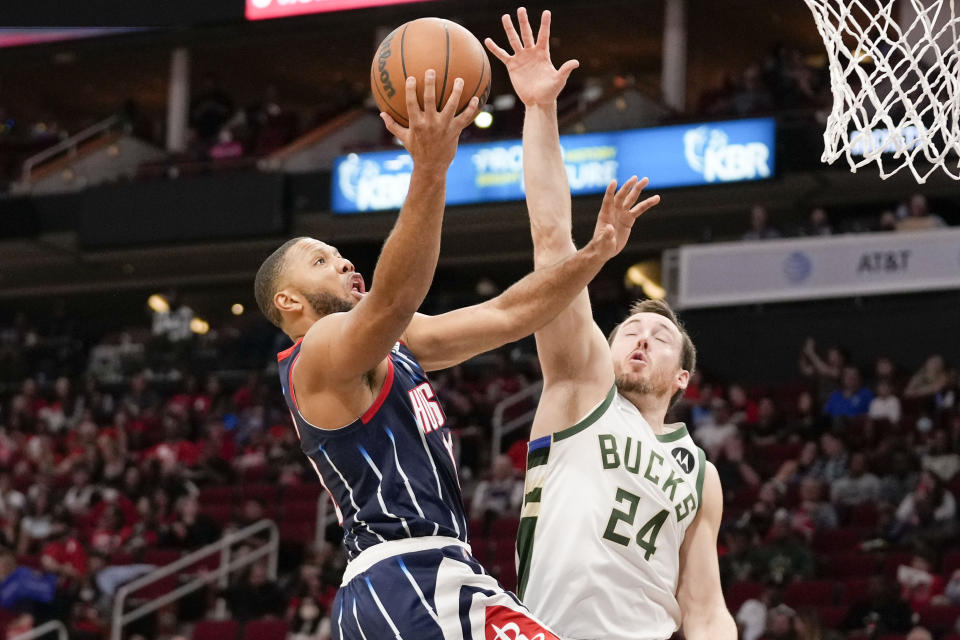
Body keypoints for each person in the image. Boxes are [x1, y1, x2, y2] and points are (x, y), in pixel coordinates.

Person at [254, 67, 649, 638]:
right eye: (321, 260)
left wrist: (594, 254)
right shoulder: (319, 351)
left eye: (337, 254)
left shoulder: (396, 342)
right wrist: (431, 167)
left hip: (428, 578)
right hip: (405, 580)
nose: (342, 262)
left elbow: (508, 315)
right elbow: (392, 300)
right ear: (288, 301)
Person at [485, 8, 735, 639]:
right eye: (630, 330)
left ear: (682, 377)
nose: (641, 336)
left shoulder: (700, 475)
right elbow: (551, 241)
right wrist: (540, 110)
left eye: (660, 336)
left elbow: (703, 606)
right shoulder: (581, 387)